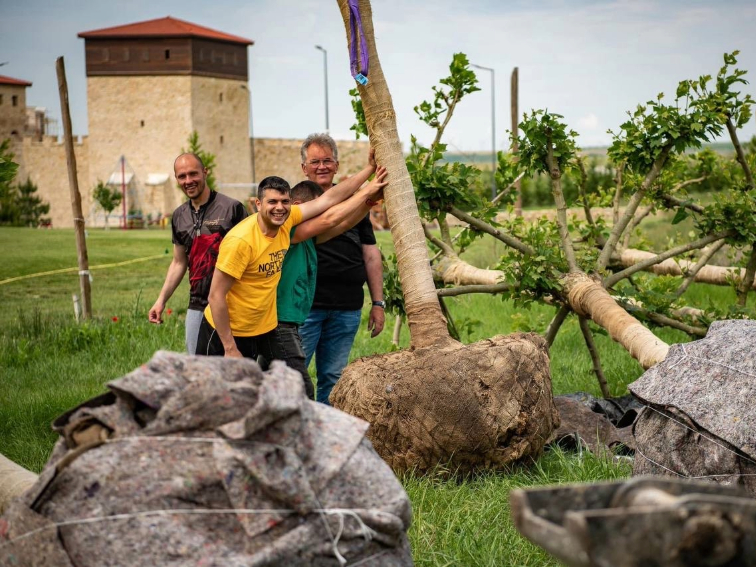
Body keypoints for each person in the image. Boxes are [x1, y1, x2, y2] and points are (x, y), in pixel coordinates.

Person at [197, 170, 382, 361]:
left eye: (284, 202)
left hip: (256, 328)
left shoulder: (286, 223)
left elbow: (331, 207)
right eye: (272, 202)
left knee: (249, 386)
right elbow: (215, 295)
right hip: (229, 331)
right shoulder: (244, 240)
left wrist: (369, 171)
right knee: (212, 389)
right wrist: (229, 347)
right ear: (258, 204)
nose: (280, 207)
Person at [259, 166, 388, 399]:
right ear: (299, 208)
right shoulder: (284, 230)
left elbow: (341, 224)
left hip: (290, 319)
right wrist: (369, 189)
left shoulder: (306, 234)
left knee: (294, 382)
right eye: (315, 211)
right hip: (279, 323)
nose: (319, 215)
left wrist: (368, 199)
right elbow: (330, 219)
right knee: (286, 386)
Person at [298, 134, 386, 405]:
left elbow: (371, 254)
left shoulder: (355, 203)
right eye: (315, 161)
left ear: (336, 165)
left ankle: (324, 435)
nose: (322, 166)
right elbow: (332, 218)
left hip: (346, 307)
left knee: (333, 377)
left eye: (327, 161)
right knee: (294, 376)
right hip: (306, 308)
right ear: (304, 168)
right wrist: (367, 193)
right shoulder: (297, 202)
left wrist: (378, 302)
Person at [148, 153, 247, 354]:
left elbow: (251, 254)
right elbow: (178, 262)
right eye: (182, 176)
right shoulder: (178, 216)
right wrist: (161, 301)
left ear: (205, 172)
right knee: (198, 370)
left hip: (233, 303)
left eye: (193, 174)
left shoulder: (232, 209)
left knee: (236, 371)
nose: (188, 181)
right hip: (197, 306)